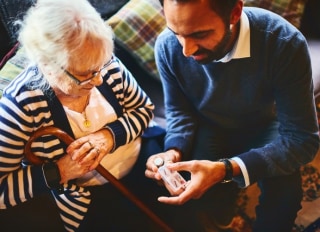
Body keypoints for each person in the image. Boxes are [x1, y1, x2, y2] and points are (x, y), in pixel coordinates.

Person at [145, 0, 320, 231]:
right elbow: (179, 111)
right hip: (208, 125)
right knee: (195, 193)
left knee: (285, 195)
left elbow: (302, 140)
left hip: (265, 123)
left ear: (235, 12)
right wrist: (172, 150)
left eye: (200, 34)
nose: (186, 50)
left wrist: (226, 169)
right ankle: (222, 213)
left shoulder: (283, 42)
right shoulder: (167, 46)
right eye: (176, 33)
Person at [0, 0, 167, 231]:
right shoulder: (19, 106)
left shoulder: (103, 64)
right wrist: (59, 171)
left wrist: (109, 137)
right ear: (47, 64)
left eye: (101, 66)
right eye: (85, 75)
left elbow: (144, 110)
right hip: (91, 196)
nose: (99, 79)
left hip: (142, 158)